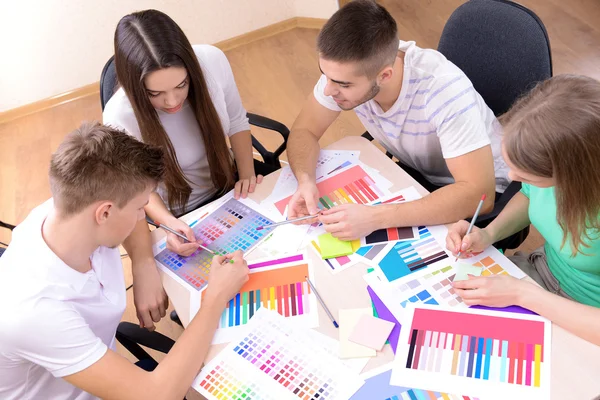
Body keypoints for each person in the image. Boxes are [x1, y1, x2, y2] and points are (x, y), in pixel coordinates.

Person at [0, 123, 249, 399]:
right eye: (139, 206)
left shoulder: (68, 210)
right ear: (104, 213)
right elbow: (158, 396)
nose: (144, 214)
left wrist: (143, 264)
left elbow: (136, 222)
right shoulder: (36, 311)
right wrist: (215, 298)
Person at [103, 9, 274, 329]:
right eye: (156, 94)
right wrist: (167, 223)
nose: (172, 102)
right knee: (224, 307)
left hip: (230, 184)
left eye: (181, 85)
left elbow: (237, 121)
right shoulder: (119, 115)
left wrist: (248, 177)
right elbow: (139, 189)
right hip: (179, 211)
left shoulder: (212, 61)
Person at [286, 0, 509, 241]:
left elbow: (479, 195)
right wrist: (305, 180)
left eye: (343, 85)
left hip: (482, 195)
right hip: (420, 175)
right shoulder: (344, 72)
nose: (328, 90)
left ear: (384, 75)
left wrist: (376, 217)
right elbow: (304, 130)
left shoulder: (443, 89)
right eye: (325, 76)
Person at [446, 75, 600, 346]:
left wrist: (523, 295)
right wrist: (488, 233)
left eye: (528, 176)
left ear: (577, 174)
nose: (513, 177)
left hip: (584, 319)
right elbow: (530, 198)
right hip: (539, 274)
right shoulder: (556, 172)